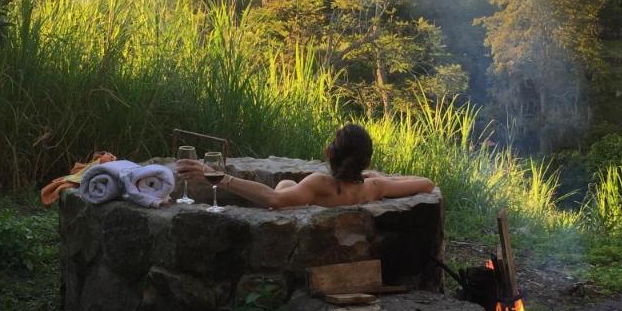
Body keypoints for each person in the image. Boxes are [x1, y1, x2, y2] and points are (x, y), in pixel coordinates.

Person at [174, 123, 435, 209]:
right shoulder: (374, 187)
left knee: (286, 186)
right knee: (288, 185)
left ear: (328, 152)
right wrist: (378, 175)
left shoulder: (320, 184)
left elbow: (273, 199)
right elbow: (426, 183)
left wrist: (218, 176)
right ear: (365, 161)